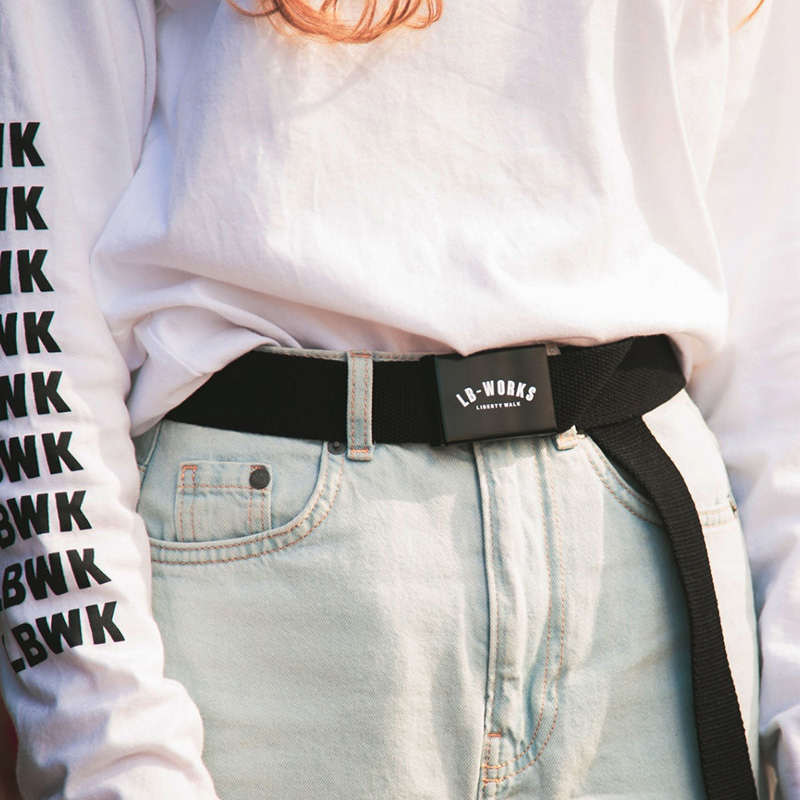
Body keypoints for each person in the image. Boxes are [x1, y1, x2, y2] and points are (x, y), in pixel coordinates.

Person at [0, 0, 797, 797]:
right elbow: (41, 301)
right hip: (271, 596)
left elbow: (775, 320)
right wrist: (106, 742)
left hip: (648, 583)